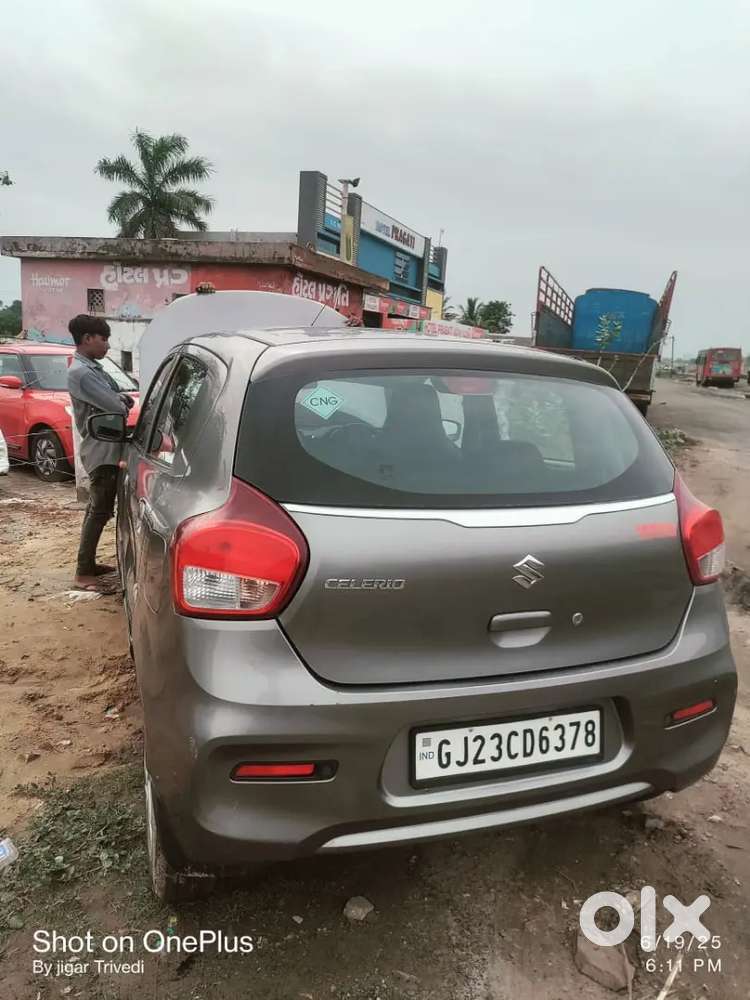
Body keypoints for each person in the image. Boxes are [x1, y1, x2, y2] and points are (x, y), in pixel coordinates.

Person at [67, 314, 134, 592]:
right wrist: (120, 401)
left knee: (98, 510)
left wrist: (120, 399)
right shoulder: (82, 373)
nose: (107, 345)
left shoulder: (93, 367)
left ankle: (88, 564)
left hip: (107, 446)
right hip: (101, 449)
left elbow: (121, 394)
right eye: (103, 339)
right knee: (100, 510)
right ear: (87, 339)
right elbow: (118, 404)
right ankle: (83, 573)